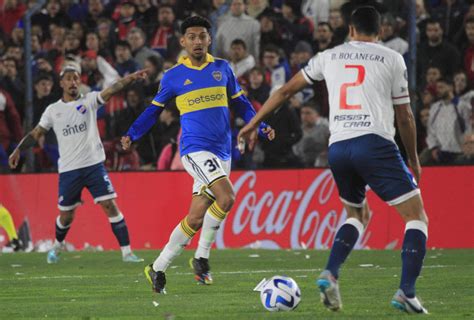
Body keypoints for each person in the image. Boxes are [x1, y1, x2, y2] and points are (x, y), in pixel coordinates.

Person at [239, 6, 429, 314]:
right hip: (374, 142)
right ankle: (406, 291)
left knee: (357, 215)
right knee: (416, 217)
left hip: (338, 147)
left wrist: (252, 122)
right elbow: (405, 116)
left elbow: (285, 90)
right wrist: (413, 158)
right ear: (379, 33)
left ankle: (330, 271)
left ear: (350, 30)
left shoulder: (329, 56)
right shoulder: (392, 58)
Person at [121, 16, 274, 294]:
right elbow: (153, 110)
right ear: (183, 42)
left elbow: (241, 105)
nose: (197, 41)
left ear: (209, 39)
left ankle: (157, 268)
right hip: (195, 149)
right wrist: (132, 133)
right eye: (191, 36)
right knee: (227, 197)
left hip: (222, 150)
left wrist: (259, 125)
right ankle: (202, 258)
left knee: (195, 217)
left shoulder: (223, 68)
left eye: (202, 36)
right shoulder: (173, 76)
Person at [8, 65, 146, 264]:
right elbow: (37, 133)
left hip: (94, 166)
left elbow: (113, 88)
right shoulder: (53, 110)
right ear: (61, 83)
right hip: (69, 171)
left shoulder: (90, 101)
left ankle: (127, 253)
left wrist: (131, 77)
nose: (73, 82)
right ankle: (56, 246)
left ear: (79, 82)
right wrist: (19, 149)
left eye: (76, 78)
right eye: (69, 78)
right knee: (66, 216)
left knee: (110, 206)